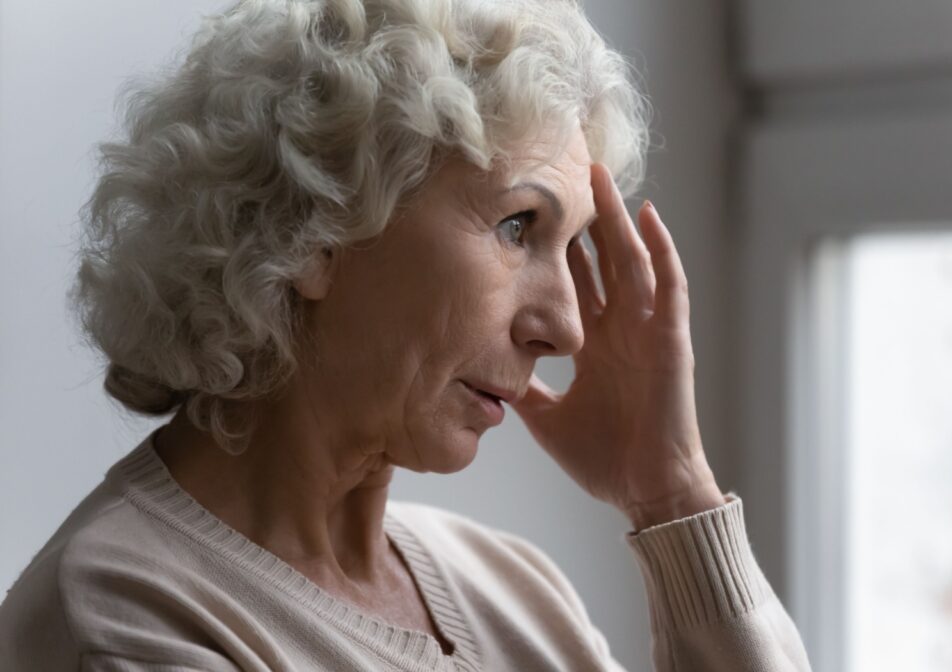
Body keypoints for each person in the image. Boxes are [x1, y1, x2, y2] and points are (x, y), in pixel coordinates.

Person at [0, 0, 811, 669]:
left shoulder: (517, 594)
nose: (565, 328)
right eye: (518, 225)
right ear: (315, 226)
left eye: (572, 246)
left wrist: (670, 492)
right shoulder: (127, 612)